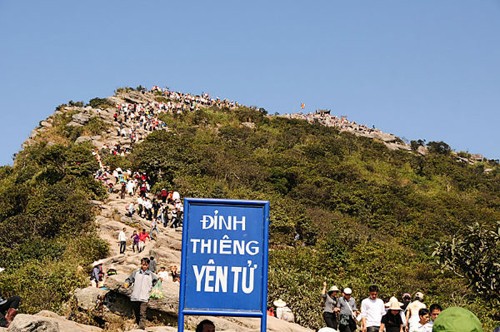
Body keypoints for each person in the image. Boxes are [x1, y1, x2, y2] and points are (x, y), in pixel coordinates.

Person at [123, 257, 158, 330]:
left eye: (145, 265)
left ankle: (141, 327)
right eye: (142, 264)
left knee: (142, 313)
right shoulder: (136, 272)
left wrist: (159, 282)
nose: (144, 266)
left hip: (145, 297)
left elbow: (156, 282)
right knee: (136, 312)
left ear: (148, 265)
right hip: (135, 296)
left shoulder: (151, 275)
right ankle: (138, 323)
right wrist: (127, 283)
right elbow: (130, 279)